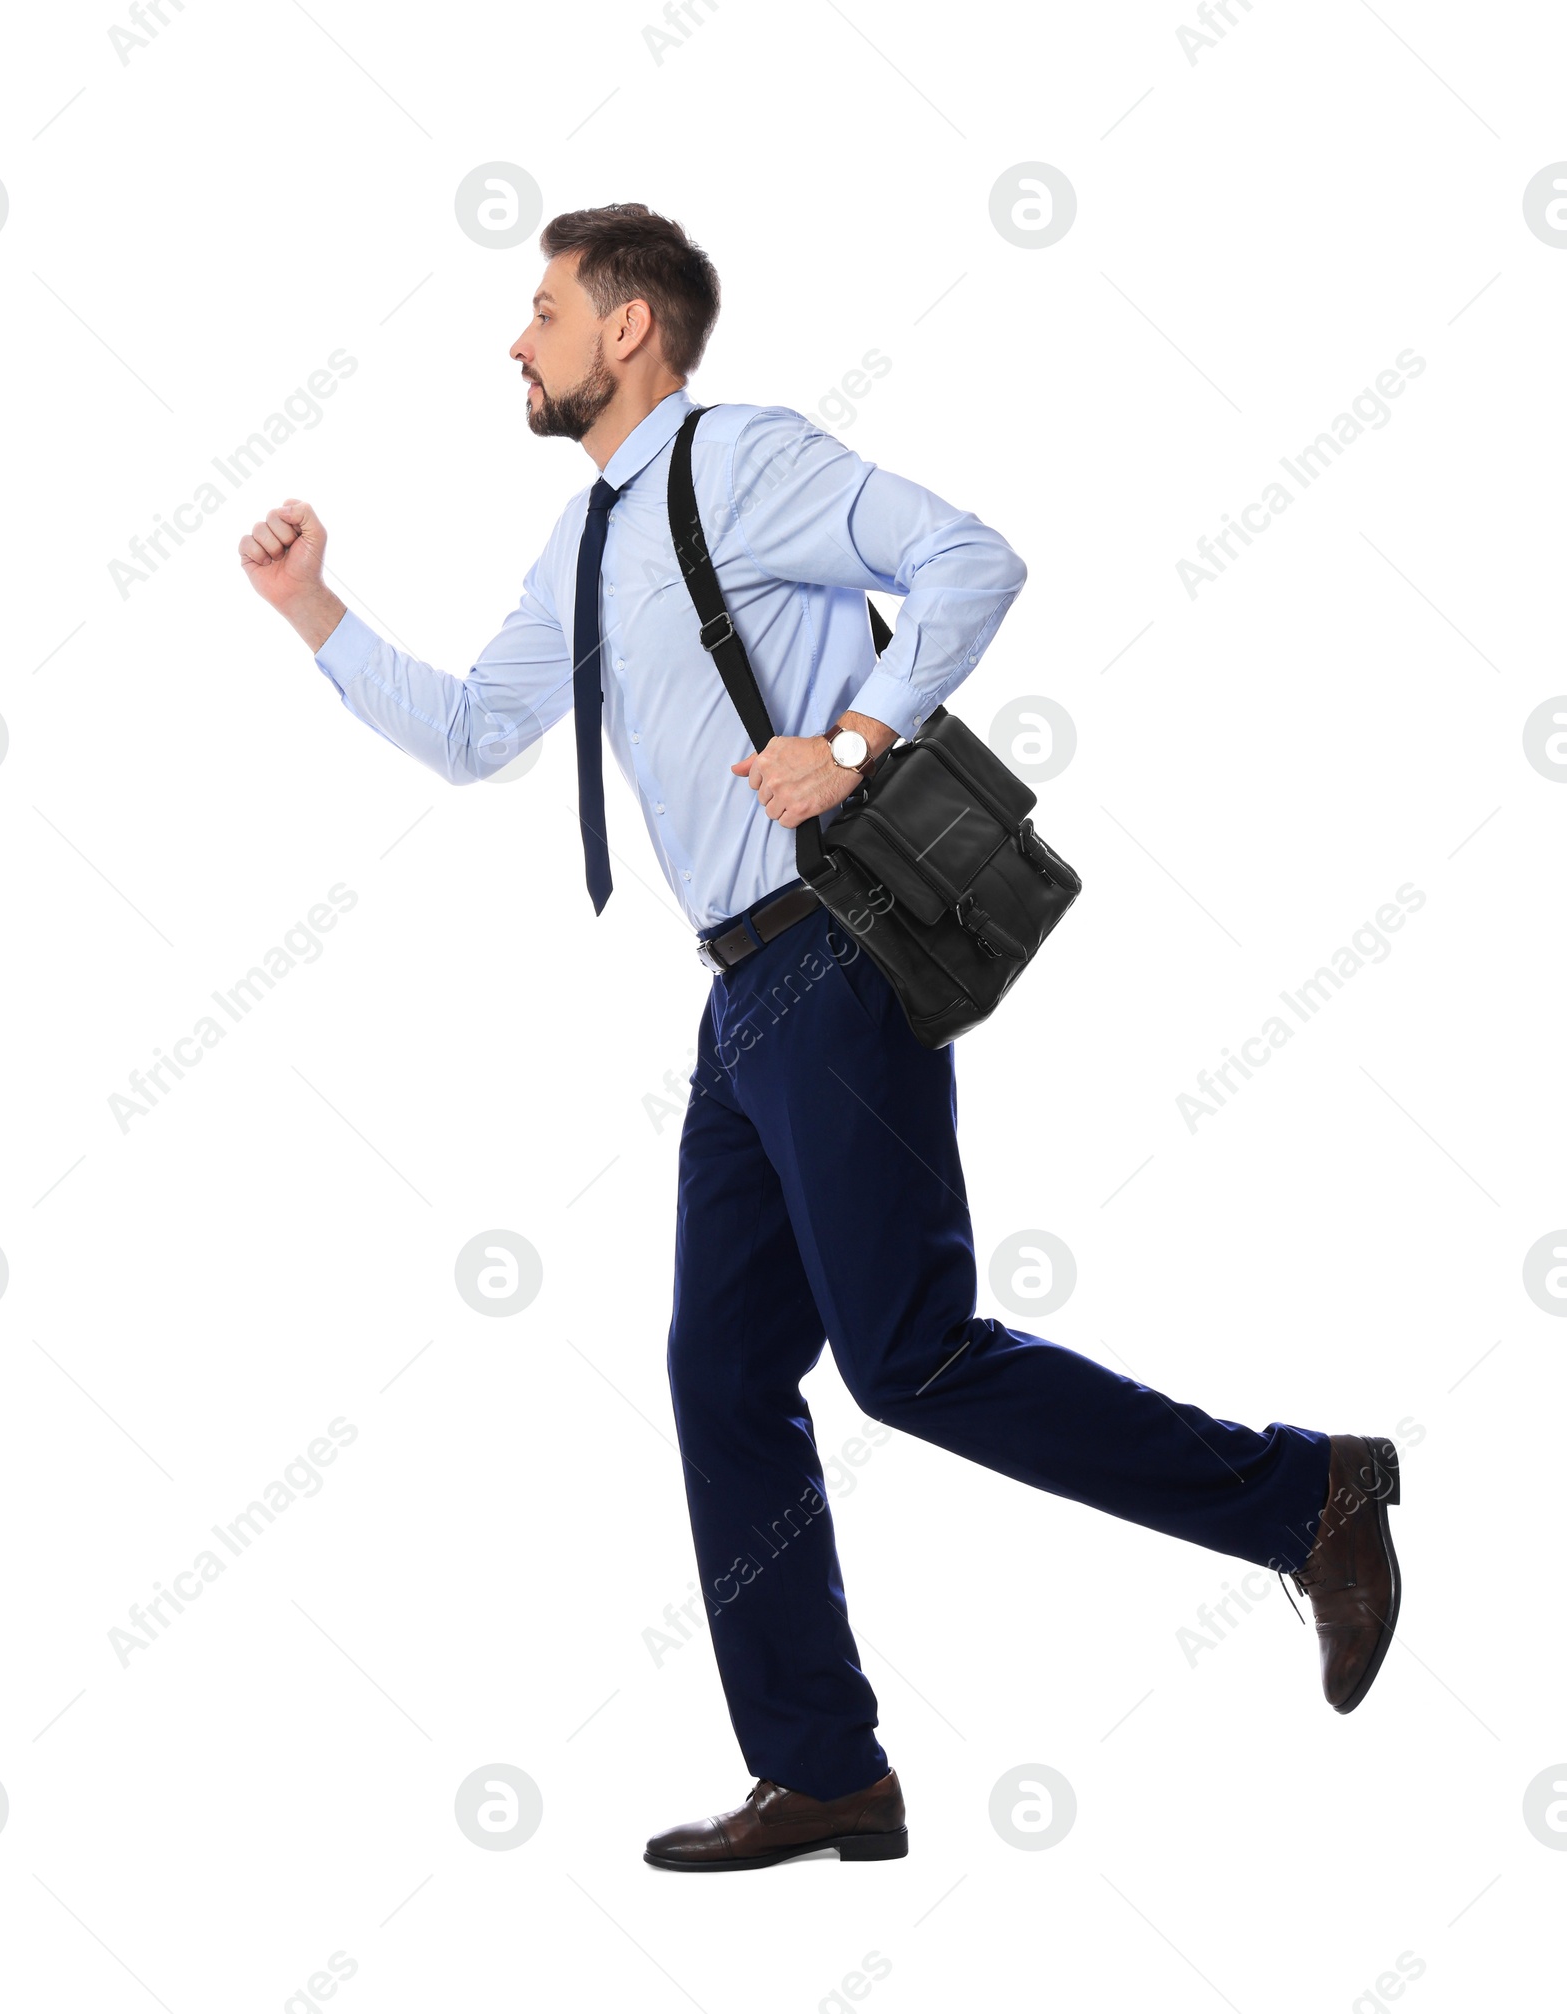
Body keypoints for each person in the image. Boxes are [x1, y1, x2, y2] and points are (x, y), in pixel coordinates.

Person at [238, 202, 1403, 1874]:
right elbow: (480, 731)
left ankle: (1307, 1496)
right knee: (723, 1372)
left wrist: (855, 734)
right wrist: (312, 607)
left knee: (909, 1354)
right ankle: (826, 1768)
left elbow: (971, 557)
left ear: (630, 327)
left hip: (834, 952)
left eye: (546, 308)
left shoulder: (743, 460)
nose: (519, 339)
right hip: (741, 994)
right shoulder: (583, 546)